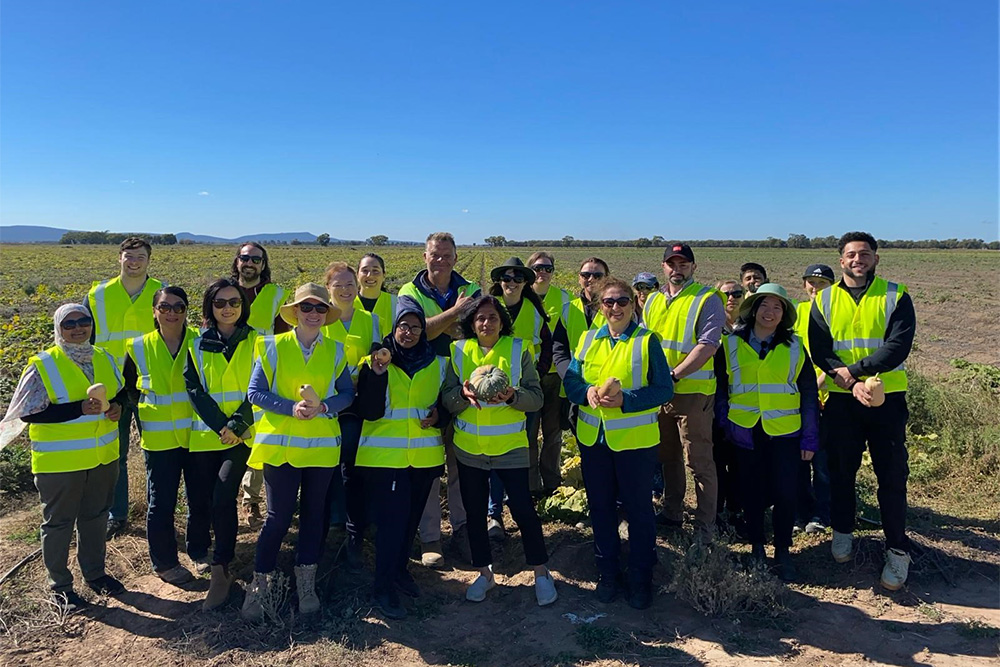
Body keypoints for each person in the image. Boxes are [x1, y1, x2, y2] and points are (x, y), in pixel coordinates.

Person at [0, 304, 126, 612]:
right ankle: (60, 587)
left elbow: (120, 392)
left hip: (101, 457)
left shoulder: (103, 357)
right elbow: (29, 413)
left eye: (84, 321)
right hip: (60, 464)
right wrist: (78, 409)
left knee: (96, 518)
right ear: (59, 328)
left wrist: (118, 406)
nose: (78, 328)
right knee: (58, 524)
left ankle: (95, 574)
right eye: (69, 323)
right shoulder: (43, 365)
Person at [809, 232, 916, 591]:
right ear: (841, 260)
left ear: (876, 259)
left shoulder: (895, 294)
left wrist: (854, 372)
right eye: (851, 254)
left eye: (865, 254)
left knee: (891, 473)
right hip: (842, 400)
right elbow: (820, 348)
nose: (858, 259)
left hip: (887, 398)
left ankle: (897, 549)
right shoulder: (823, 299)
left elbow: (898, 346)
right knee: (841, 469)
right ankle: (842, 531)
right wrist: (848, 382)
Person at [243, 283, 354, 620]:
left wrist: (323, 407)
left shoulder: (336, 351)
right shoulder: (271, 346)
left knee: (313, 517)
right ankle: (259, 586)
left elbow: (347, 394)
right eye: (307, 307)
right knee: (277, 518)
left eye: (320, 309)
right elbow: (255, 392)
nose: (314, 314)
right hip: (281, 447)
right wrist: (290, 408)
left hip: (320, 448)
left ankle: (306, 583)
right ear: (295, 312)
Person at [563, 278, 673, 609]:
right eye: (608, 302)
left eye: (622, 301)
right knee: (601, 508)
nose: (615, 307)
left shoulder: (646, 341)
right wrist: (587, 393)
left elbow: (663, 389)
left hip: (635, 444)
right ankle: (607, 572)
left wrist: (626, 400)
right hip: (594, 440)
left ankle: (641, 578)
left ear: (632, 304)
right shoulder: (586, 340)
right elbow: (571, 381)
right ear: (599, 306)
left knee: (639, 511)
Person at [442, 296, 555, 606]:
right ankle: (484, 573)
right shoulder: (458, 350)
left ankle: (541, 573)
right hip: (470, 450)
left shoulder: (519, 350)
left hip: (510, 447)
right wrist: (463, 396)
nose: (486, 323)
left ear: (502, 321)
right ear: (471, 323)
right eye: (480, 318)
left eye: (492, 317)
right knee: (475, 513)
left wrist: (512, 396)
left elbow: (536, 398)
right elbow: (448, 398)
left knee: (522, 509)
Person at [715, 284, 820, 582]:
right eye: (765, 305)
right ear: (754, 309)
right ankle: (757, 547)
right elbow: (721, 388)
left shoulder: (796, 347)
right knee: (751, 492)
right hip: (744, 433)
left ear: (784, 314)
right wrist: (726, 421)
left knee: (786, 493)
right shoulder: (731, 344)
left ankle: (783, 551)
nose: (770, 312)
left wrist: (810, 437)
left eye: (778, 307)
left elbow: (809, 395)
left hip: (785, 433)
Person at [353, 297, 448, 619]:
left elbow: (444, 402)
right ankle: (382, 587)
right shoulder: (376, 361)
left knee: (409, 523)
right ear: (393, 329)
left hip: (423, 457)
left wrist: (441, 415)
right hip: (384, 457)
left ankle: (400, 572)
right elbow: (367, 410)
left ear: (424, 331)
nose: (408, 332)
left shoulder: (436, 362)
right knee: (391, 526)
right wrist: (378, 374)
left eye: (416, 327)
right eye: (403, 326)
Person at [398, 232, 481, 567]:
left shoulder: (471, 288)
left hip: (464, 379)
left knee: (460, 459)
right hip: (425, 380)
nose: (441, 260)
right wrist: (455, 315)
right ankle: (430, 536)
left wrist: (435, 325)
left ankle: (463, 529)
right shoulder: (409, 291)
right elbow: (415, 332)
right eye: (435, 254)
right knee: (429, 464)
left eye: (447, 255)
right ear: (425, 256)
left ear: (456, 258)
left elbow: (473, 330)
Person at [642, 243, 725, 541]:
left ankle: (705, 526)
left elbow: (708, 345)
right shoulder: (652, 300)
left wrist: (674, 374)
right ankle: (672, 512)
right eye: (671, 263)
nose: (677, 269)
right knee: (668, 456)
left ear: (693, 266)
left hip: (693, 392)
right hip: (661, 393)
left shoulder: (707, 299)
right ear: (663, 267)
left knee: (698, 460)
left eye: (683, 263)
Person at [184, 278, 257, 610]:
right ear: (209, 307)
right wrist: (220, 426)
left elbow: (263, 385)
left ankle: (221, 567)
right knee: (202, 499)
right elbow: (194, 388)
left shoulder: (258, 340)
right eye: (220, 303)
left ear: (243, 306)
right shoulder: (195, 342)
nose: (228, 308)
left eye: (234, 302)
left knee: (223, 493)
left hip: (241, 435)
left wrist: (236, 425)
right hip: (206, 436)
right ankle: (205, 553)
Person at [86, 237, 164, 539]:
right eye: (129, 256)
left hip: (149, 383)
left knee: (154, 452)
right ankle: (116, 515)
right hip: (111, 387)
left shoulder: (161, 291)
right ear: (119, 258)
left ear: (149, 260)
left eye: (140, 256)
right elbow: (83, 339)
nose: (134, 262)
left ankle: (157, 512)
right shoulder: (98, 294)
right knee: (113, 455)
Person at [127, 287, 199, 585]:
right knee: (161, 502)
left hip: (197, 436)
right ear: (154, 311)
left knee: (199, 498)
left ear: (186, 310)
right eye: (165, 307)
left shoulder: (201, 341)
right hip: (159, 440)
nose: (172, 313)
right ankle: (165, 562)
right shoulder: (138, 346)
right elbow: (130, 390)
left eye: (179, 307)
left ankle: (199, 551)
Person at [486, 258, 552, 538]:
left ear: (526, 283)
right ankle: (493, 513)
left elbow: (547, 345)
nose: (511, 283)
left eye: (517, 279)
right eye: (506, 278)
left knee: (519, 451)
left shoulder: (535, 312)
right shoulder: (488, 308)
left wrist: (535, 375)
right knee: (492, 451)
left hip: (523, 395)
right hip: (490, 393)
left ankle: (517, 506)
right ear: (499, 282)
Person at [322, 261, 382, 570]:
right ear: (328, 289)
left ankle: (356, 520)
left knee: (355, 460)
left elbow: (377, 355)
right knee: (333, 461)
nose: (346, 291)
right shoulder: (321, 317)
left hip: (360, 402)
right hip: (329, 401)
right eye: (339, 286)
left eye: (350, 285)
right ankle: (336, 519)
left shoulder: (370, 320)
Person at [232, 241, 289, 528]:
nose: (250, 263)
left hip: (263, 374)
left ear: (263, 264)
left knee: (259, 437)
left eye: (256, 259)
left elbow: (283, 337)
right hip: (227, 375)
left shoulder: (276, 295)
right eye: (245, 258)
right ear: (237, 261)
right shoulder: (224, 292)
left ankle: (251, 501)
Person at [526, 251, 572, 497]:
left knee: (553, 433)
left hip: (556, 376)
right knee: (529, 433)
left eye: (547, 268)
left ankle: (552, 482)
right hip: (530, 375)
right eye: (537, 267)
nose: (542, 272)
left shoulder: (565, 298)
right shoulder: (522, 298)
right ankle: (531, 484)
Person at [794, 264, 835, 535]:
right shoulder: (798, 311)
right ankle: (799, 511)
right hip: (798, 398)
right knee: (798, 459)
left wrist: (815, 386)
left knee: (823, 461)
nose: (814, 287)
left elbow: (843, 357)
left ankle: (822, 514)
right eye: (811, 282)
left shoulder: (838, 312)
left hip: (828, 396)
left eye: (821, 283)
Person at [712, 279, 745, 535]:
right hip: (713, 402)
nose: (732, 298)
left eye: (737, 293)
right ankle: (716, 510)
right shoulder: (711, 327)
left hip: (744, 404)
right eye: (726, 294)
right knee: (715, 461)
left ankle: (737, 509)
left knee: (739, 462)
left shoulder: (751, 329)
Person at [551, 257, 611, 381]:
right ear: (579, 278)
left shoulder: (616, 310)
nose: (591, 279)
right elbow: (559, 348)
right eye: (585, 275)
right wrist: (569, 377)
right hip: (574, 386)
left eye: (598, 276)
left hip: (607, 386)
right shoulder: (568, 309)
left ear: (607, 279)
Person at [356, 253, 398, 340]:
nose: (370, 275)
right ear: (357, 275)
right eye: (365, 270)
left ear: (384, 275)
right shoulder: (344, 303)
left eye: (375, 271)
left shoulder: (396, 303)